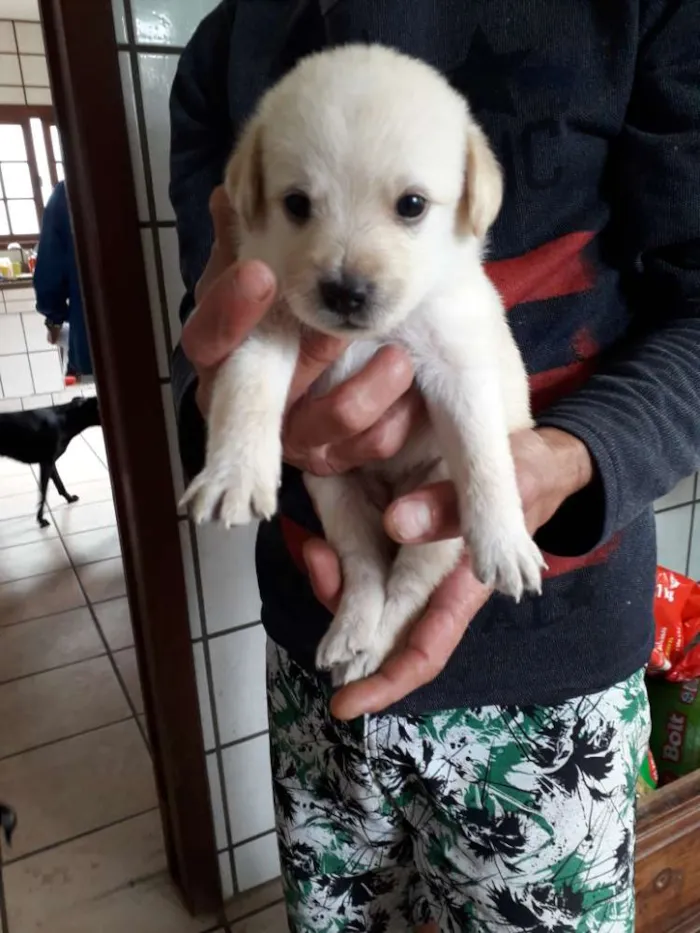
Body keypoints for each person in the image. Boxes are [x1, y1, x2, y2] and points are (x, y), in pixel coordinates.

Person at [169, 3, 700, 930]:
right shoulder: (231, 43)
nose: (344, 264)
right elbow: (220, 322)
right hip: (319, 639)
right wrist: (220, 411)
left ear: (463, 196)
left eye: (409, 206)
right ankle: (372, 584)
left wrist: (559, 465)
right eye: (300, 204)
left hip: (553, 662)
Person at [34, 180, 92, 380]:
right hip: (161, 343)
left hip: (91, 349)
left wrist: (54, 322)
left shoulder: (68, 193)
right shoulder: (147, 174)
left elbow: (49, 280)